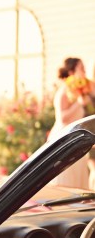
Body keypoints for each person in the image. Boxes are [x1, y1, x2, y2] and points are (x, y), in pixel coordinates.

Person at [48, 57, 95, 188]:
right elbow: (62, 118)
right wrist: (79, 102)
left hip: (76, 137)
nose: (84, 72)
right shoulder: (64, 91)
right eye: (81, 68)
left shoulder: (79, 90)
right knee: (66, 179)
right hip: (64, 138)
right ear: (71, 72)